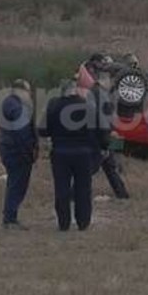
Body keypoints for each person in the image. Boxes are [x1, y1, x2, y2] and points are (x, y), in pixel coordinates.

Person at [40, 80, 105, 231]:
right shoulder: (88, 107)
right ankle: (83, 222)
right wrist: (103, 146)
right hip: (84, 153)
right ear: (75, 90)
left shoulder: (53, 106)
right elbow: (101, 130)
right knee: (83, 188)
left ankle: (63, 223)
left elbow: (42, 130)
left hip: (60, 153)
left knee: (61, 188)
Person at [0, 79, 38, 229]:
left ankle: (10, 216)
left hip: (10, 149)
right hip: (16, 152)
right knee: (17, 185)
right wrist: (28, 152)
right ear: (20, 91)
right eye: (28, 91)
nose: (30, 95)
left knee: (14, 183)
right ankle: (10, 219)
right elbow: (22, 133)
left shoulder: (10, 104)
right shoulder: (17, 107)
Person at [90, 70, 130, 200]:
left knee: (109, 165)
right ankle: (73, 193)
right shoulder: (100, 94)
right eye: (112, 82)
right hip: (102, 136)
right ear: (106, 80)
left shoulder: (94, 92)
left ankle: (122, 193)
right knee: (95, 166)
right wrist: (108, 137)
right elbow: (103, 119)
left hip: (99, 135)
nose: (112, 85)